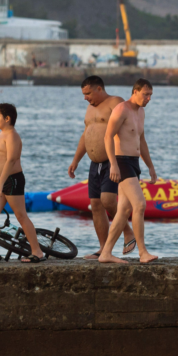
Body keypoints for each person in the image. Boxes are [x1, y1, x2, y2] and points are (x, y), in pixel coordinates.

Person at [67, 76, 136, 259]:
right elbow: (86, 135)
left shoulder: (116, 102)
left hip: (112, 161)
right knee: (96, 205)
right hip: (94, 163)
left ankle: (128, 231)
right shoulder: (90, 109)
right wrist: (76, 160)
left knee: (107, 200)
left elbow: (128, 129)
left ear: (99, 88)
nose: (85, 98)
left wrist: (122, 160)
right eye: (83, 94)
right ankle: (104, 249)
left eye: (88, 93)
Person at [0, 103, 47, 264]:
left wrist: (1, 184)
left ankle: (37, 252)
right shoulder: (0, 134)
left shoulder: (12, 135)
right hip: (0, 181)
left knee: (20, 215)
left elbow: (11, 160)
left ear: (7, 119)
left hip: (12, 180)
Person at [98, 79, 158, 264]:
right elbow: (108, 136)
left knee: (124, 210)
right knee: (139, 205)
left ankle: (106, 253)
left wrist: (150, 166)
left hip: (134, 163)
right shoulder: (121, 109)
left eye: (150, 95)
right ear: (135, 91)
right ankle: (143, 253)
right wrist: (113, 164)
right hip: (121, 162)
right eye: (145, 94)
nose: (148, 98)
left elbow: (141, 141)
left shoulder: (141, 112)